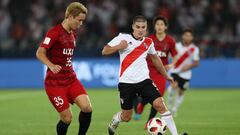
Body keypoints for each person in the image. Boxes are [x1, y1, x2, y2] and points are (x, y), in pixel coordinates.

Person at [102, 15, 178, 135]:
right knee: (127, 117)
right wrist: (118, 47)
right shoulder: (123, 38)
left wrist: (166, 75)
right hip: (126, 83)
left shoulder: (148, 42)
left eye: (143, 27)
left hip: (144, 81)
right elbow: (104, 50)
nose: (140, 30)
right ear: (133, 27)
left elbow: (156, 60)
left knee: (160, 105)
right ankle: (116, 119)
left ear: (146, 28)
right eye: (138, 27)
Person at [36, 2, 92, 135]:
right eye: (79, 20)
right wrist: (51, 65)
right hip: (55, 83)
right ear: (70, 17)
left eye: (82, 21)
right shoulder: (54, 33)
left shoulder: (73, 34)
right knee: (67, 118)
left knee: (87, 107)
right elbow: (40, 52)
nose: (81, 24)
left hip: (71, 79)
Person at [133, 16, 178, 125]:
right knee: (146, 95)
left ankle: (149, 121)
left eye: (162, 24)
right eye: (157, 24)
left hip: (161, 73)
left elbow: (175, 55)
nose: (159, 26)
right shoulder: (149, 39)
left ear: (165, 27)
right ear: (154, 26)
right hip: (148, 71)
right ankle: (140, 107)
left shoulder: (170, 41)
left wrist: (171, 65)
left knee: (159, 98)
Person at [167, 28, 200, 116]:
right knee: (173, 87)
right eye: (186, 35)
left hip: (186, 74)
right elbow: (169, 56)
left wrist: (189, 66)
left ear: (192, 37)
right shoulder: (176, 46)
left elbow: (196, 63)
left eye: (189, 36)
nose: (187, 37)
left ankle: (175, 109)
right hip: (175, 71)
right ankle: (169, 107)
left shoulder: (194, 49)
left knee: (181, 92)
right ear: (183, 36)